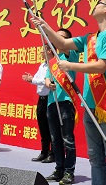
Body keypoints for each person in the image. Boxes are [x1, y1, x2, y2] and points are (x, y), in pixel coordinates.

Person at [31, 0, 106, 185]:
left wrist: (69, 66)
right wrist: (44, 25)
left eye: (99, 3)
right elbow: (63, 44)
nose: (95, 5)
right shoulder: (90, 38)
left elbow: (101, 66)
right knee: (95, 159)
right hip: (90, 106)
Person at [44, 29, 79, 185]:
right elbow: (47, 78)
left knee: (67, 140)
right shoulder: (51, 62)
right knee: (55, 140)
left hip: (65, 103)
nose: (57, 39)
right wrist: (48, 84)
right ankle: (59, 169)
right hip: (52, 103)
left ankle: (69, 172)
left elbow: (64, 46)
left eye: (61, 37)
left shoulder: (71, 55)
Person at [22, 48, 53, 164]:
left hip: (50, 99)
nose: (41, 52)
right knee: (43, 127)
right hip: (41, 99)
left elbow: (46, 81)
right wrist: (30, 79)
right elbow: (36, 79)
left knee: (51, 128)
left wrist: (33, 79)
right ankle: (44, 152)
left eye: (43, 50)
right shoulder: (42, 65)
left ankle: (52, 153)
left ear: (49, 51)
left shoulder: (54, 64)